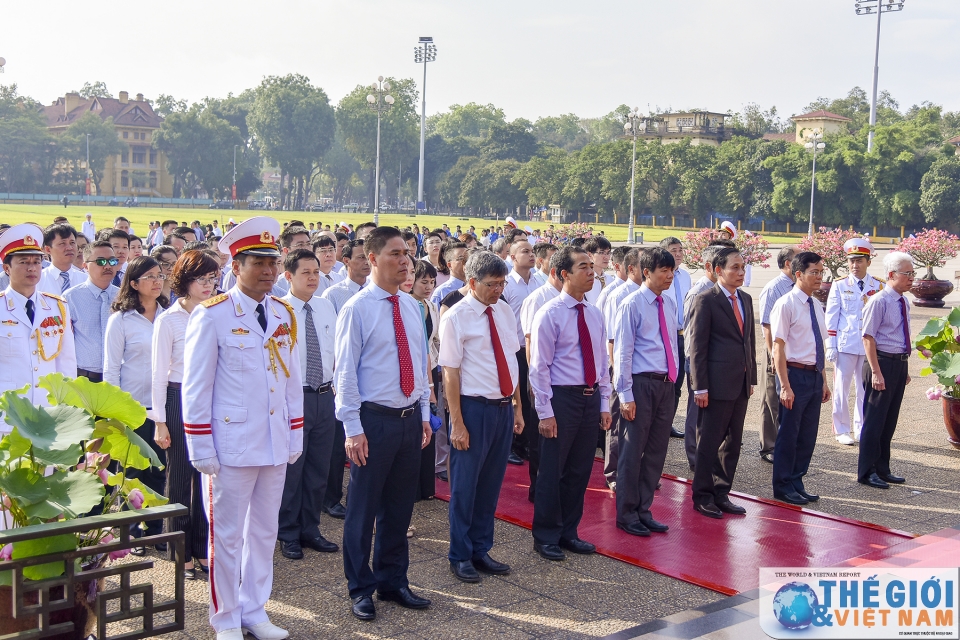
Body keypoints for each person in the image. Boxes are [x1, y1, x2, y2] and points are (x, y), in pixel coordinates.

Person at [182, 217, 303, 640]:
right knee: (227, 537)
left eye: (273, 262)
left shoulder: (284, 312)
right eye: (258, 263)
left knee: (264, 531)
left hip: (274, 441)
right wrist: (200, 445)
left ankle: (255, 609)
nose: (269, 271)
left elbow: (292, 379)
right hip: (229, 444)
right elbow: (197, 386)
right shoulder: (213, 315)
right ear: (236, 267)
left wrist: (295, 433)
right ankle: (226, 618)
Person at [335, 226, 433, 621]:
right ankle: (361, 587)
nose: (405, 261)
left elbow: (421, 366)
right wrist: (352, 429)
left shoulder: (411, 306)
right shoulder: (356, 309)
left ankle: (393, 580)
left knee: (399, 508)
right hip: (373, 422)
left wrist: (425, 417)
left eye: (407, 253)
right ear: (372, 259)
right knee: (362, 509)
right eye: (395, 254)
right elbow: (345, 374)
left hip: (409, 420)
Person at [439, 251, 524, 583]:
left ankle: (480, 548)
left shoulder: (503, 310)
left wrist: (516, 405)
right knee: (465, 486)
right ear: (472, 282)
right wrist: (457, 421)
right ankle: (459, 554)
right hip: (473, 408)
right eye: (492, 284)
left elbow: (511, 359)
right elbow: (450, 372)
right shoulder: (456, 316)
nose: (499, 290)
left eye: (502, 283)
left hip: (503, 407)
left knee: (490, 484)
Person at [529, 246, 612, 562]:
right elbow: (539, 368)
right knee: (553, 469)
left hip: (589, 399)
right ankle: (546, 535)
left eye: (592, 266)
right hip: (561, 399)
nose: (591, 271)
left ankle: (568, 531)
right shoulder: (549, 314)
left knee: (579, 470)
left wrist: (604, 401)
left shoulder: (594, 312)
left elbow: (602, 361)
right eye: (583, 267)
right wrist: (545, 411)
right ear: (564, 274)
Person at [152, 250, 218, 581]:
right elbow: (158, 374)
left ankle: (203, 548)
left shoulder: (217, 313)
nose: (208, 285)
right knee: (179, 478)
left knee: (208, 477)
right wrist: (160, 421)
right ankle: (180, 552)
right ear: (184, 281)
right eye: (200, 279)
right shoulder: (169, 319)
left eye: (212, 279)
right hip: (177, 396)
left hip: (211, 397)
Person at [277, 249, 340, 559]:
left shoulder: (326, 306)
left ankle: (310, 527)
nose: (313, 277)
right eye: (306, 273)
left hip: (324, 396)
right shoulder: (278, 310)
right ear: (289, 276)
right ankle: (287, 531)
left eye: (316, 272)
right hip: (294, 397)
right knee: (293, 468)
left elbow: (335, 354)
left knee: (319, 466)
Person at [687, 246, 757, 518]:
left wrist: (750, 376)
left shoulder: (746, 299)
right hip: (714, 385)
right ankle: (703, 495)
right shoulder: (705, 300)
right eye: (734, 268)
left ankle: (722, 492)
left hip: (739, 383)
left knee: (733, 441)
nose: (740, 273)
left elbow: (748, 342)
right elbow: (697, 347)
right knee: (709, 442)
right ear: (718, 271)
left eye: (743, 267)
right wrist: (699, 386)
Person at [104, 256, 168, 548]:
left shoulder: (170, 315)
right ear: (133, 283)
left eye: (159, 276)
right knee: (132, 473)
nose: (157, 281)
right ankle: (133, 531)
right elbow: (111, 368)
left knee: (159, 470)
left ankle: (155, 528)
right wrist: (115, 412)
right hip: (133, 408)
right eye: (149, 277)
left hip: (164, 407)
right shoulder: (122, 320)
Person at [613, 247, 677, 535]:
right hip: (640, 384)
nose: (669, 276)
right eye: (663, 270)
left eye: (671, 270)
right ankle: (626, 514)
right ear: (646, 272)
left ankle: (644, 509)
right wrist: (625, 395)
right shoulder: (632, 304)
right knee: (632, 451)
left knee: (655, 452)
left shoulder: (669, 303)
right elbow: (623, 353)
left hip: (665, 385)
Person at [0, 224, 77, 433]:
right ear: (6, 268)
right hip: (8, 415)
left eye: (36, 262)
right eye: (23, 262)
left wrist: (65, 409)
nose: (32, 268)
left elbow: (66, 363)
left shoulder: (57, 306)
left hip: (47, 414)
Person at [770, 251, 831, 506]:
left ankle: (797, 480)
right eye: (813, 272)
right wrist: (784, 385)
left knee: (807, 435)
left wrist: (825, 381)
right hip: (793, 375)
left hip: (814, 376)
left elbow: (819, 345)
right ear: (798, 274)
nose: (819, 277)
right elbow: (778, 348)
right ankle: (783, 485)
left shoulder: (815, 304)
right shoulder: (786, 304)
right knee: (789, 434)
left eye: (821, 272)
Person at [320, 239, 370, 521]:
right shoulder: (335, 296)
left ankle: (359, 496)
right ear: (346, 261)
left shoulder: (379, 294)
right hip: (343, 377)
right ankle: (330, 498)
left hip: (372, 382)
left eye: (368, 257)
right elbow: (332, 343)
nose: (365, 262)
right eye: (359, 257)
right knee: (340, 444)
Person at [858, 251, 915, 489]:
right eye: (907, 274)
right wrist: (876, 371)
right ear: (891, 275)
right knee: (874, 421)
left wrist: (904, 367)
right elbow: (868, 337)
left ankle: (883, 468)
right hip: (880, 363)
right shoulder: (879, 301)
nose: (912, 278)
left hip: (898, 364)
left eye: (913, 273)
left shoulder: (903, 301)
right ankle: (867, 471)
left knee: (889, 420)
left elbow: (899, 336)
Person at [680, 241, 733, 470]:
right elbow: (691, 337)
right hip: (699, 364)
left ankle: (707, 455)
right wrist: (695, 369)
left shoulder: (727, 292)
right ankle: (695, 457)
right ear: (710, 267)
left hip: (718, 366)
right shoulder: (698, 293)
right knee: (695, 415)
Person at [826, 238, 884, 445]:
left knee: (864, 389)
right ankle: (841, 429)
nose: (854, 265)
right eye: (851, 261)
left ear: (868, 262)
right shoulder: (840, 284)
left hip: (868, 346)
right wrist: (830, 344)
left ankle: (861, 427)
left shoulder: (878, 285)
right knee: (841, 388)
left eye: (859, 261)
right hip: (845, 343)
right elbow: (832, 315)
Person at [600, 248, 643, 490]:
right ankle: (614, 473)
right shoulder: (618, 295)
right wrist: (618, 374)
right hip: (620, 369)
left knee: (639, 425)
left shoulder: (651, 295)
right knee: (618, 424)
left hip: (642, 372)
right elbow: (611, 340)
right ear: (631, 269)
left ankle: (634, 471)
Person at [757, 246, 797, 463]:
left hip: (794, 351)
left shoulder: (798, 287)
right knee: (771, 398)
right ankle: (769, 447)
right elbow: (766, 325)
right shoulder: (774, 288)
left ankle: (784, 444)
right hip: (775, 349)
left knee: (787, 397)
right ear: (789, 263)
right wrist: (773, 354)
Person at [64, 240, 120, 382]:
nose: (107, 266)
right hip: (84, 377)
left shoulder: (124, 297)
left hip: (119, 377)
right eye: (100, 262)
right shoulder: (70, 298)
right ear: (85, 266)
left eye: (112, 261)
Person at [503, 239, 538, 466]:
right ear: (513, 257)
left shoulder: (539, 282)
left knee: (531, 397)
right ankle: (511, 445)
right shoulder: (506, 284)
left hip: (535, 350)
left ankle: (526, 442)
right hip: (514, 350)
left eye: (532, 250)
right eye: (525, 251)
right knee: (515, 399)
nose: (531, 254)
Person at [410, 260, 440, 507]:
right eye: (424, 281)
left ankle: (425, 486)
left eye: (432, 282)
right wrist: (429, 387)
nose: (429, 286)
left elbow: (434, 341)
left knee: (429, 426)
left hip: (433, 369)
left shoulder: (431, 305)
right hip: (419, 373)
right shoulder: (408, 305)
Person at [660, 237, 691, 435]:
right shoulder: (662, 277)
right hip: (666, 337)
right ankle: (659, 423)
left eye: (680, 250)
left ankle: (668, 423)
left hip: (684, 335)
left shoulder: (685, 276)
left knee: (678, 383)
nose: (678, 253)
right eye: (673, 250)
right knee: (665, 383)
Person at [39, 223, 86, 295]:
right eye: (62, 243)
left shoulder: (86, 280)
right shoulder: (38, 281)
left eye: (72, 243)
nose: (70, 248)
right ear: (48, 249)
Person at [430, 241, 468, 307]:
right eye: (461, 258)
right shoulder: (441, 292)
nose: (466, 262)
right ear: (449, 265)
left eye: (467, 258)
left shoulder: (476, 288)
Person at [582, 236, 612, 304]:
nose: (606, 257)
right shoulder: (583, 281)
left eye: (608, 253)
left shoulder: (610, 280)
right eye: (601, 252)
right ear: (589, 255)